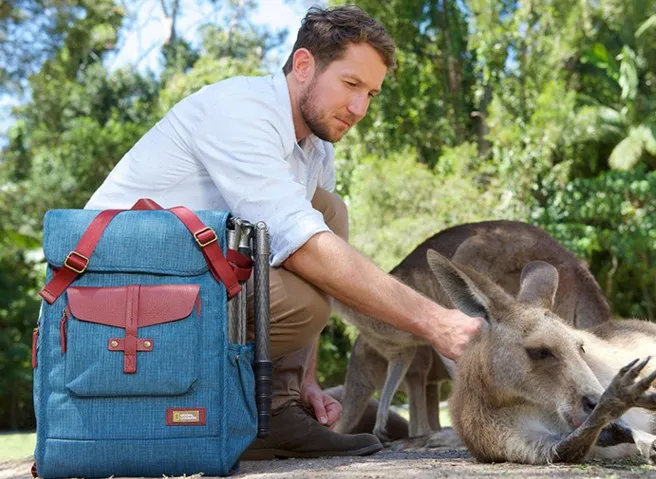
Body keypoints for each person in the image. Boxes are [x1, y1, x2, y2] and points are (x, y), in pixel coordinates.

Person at [85, 5, 482, 459]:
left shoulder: (315, 146)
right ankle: (234, 422)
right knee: (301, 300)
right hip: (113, 291)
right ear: (303, 65)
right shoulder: (239, 113)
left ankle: (280, 408)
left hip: (187, 272)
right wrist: (438, 322)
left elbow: (310, 238)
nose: (359, 108)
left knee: (329, 211)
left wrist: (306, 380)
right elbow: (303, 250)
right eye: (351, 85)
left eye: (371, 93)